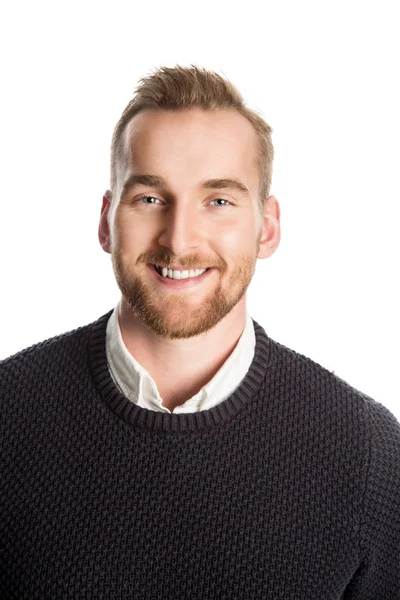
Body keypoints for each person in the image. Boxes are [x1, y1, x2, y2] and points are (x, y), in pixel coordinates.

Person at [0, 65, 399, 599]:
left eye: (219, 201)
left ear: (267, 227)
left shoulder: (367, 453)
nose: (179, 239)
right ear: (105, 221)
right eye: (149, 198)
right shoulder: (8, 411)